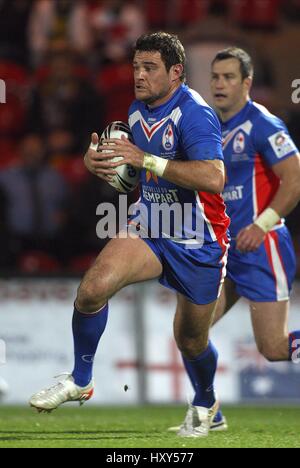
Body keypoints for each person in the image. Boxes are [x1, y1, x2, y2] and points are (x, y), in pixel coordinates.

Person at [29, 32, 230, 438]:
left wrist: (147, 159)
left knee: (191, 341)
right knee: (92, 288)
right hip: (151, 223)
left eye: (149, 67)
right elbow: (131, 177)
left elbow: (214, 177)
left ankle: (207, 402)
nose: (138, 75)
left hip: (197, 239)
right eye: (136, 66)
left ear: (176, 73)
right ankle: (80, 379)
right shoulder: (137, 111)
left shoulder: (194, 113)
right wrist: (100, 163)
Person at [171, 47, 300, 432]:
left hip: (263, 247)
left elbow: (294, 182)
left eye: (229, 77)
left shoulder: (263, 123)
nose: (220, 84)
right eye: (214, 77)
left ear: (247, 82)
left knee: (273, 348)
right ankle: (209, 411)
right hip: (223, 250)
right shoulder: (207, 126)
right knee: (190, 333)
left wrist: (262, 224)